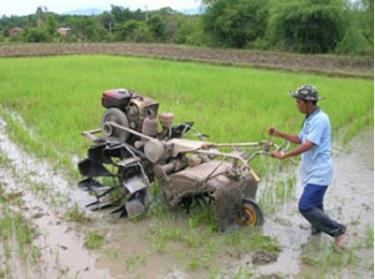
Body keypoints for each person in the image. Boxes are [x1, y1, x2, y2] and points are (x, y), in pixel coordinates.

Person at [268, 84, 346, 250]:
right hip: (311, 170)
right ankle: (316, 232)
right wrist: (279, 133)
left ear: (309, 103)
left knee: (305, 206)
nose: (297, 105)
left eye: (298, 102)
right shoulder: (310, 118)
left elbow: (308, 145)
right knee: (316, 205)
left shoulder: (320, 120)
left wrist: (283, 155)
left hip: (320, 172)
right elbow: (300, 139)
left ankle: (338, 230)